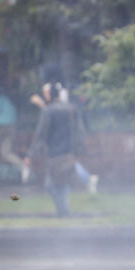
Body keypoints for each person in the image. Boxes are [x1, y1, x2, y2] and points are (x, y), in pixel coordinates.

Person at [26, 82, 86, 216]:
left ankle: (63, 212)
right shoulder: (72, 109)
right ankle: (64, 211)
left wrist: (31, 155)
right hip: (69, 153)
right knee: (62, 183)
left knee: (52, 185)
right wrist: (79, 150)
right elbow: (79, 131)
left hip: (54, 154)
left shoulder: (48, 111)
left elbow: (41, 134)